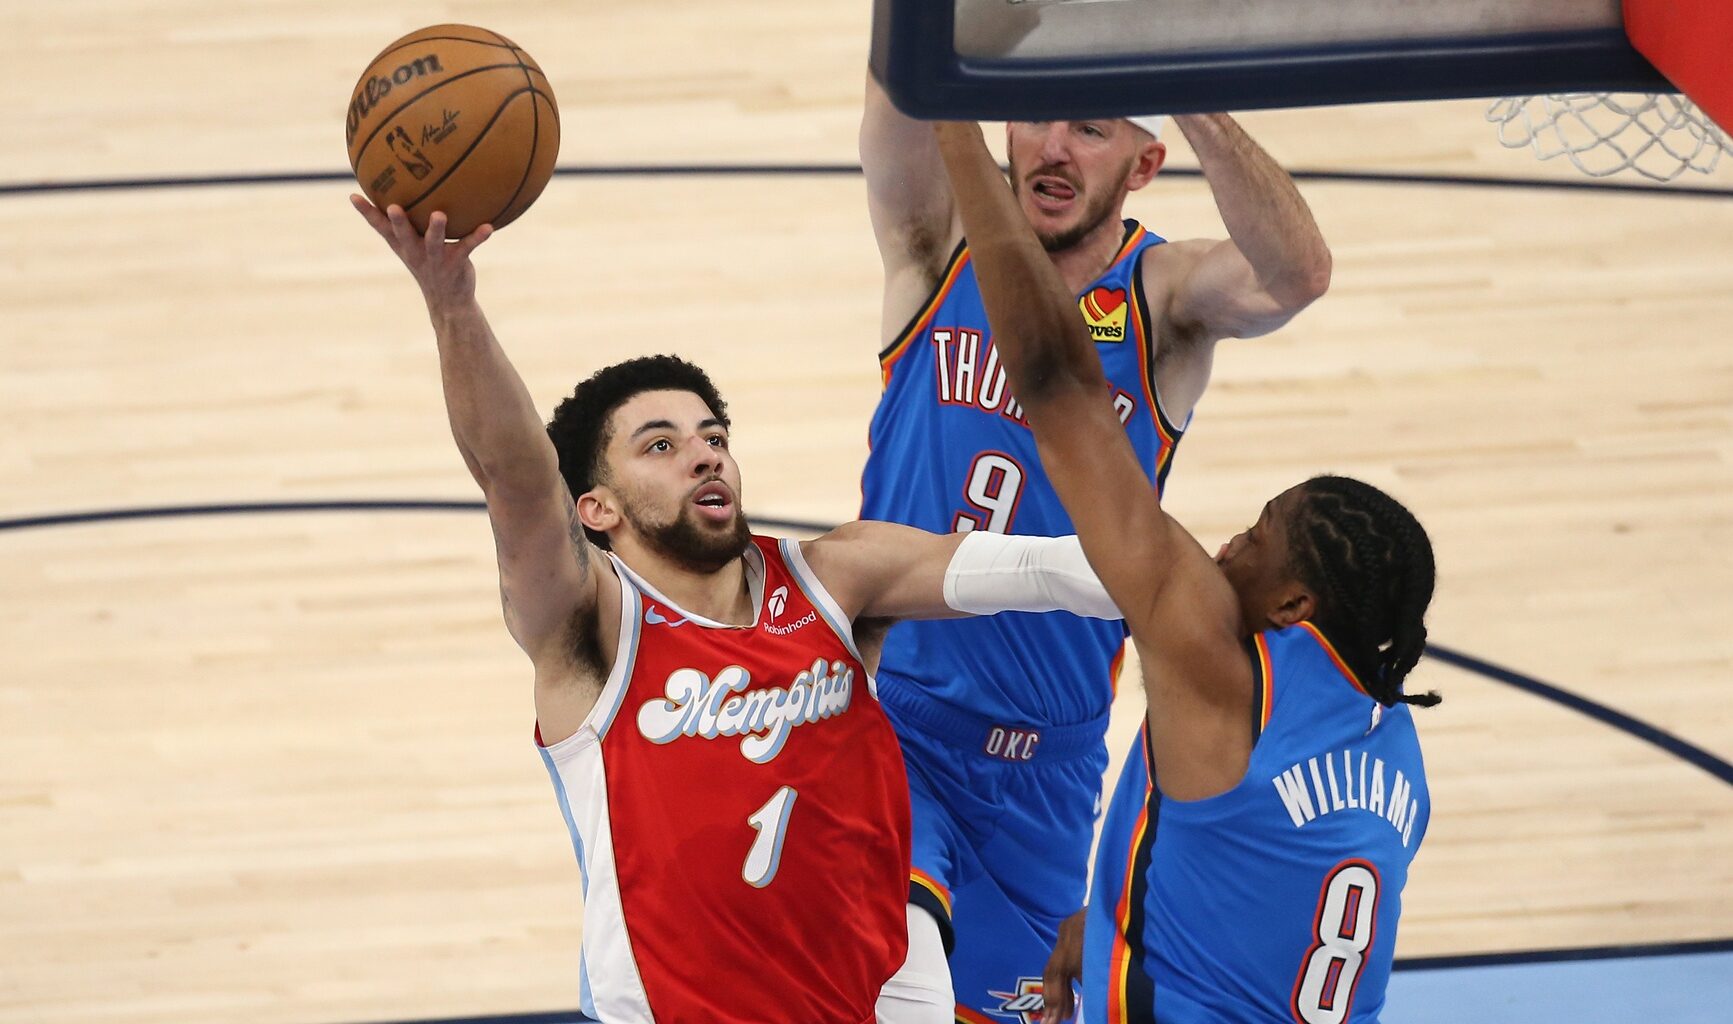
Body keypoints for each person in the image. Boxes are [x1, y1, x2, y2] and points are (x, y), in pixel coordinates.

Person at [349, 196, 1141, 1024]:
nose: (702, 455)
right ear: (596, 508)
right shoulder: (590, 628)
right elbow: (513, 474)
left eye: (712, 436)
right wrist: (452, 304)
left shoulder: (834, 578)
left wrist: (1206, 589)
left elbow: (1046, 569)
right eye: (660, 445)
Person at [931, 119, 1437, 1024]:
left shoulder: (1211, 661)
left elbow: (1057, 386)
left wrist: (958, 134)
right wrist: (1122, 923)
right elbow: (1260, 889)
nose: (1227, 545)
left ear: (1293, 603)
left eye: (1255, 536)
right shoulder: (1393, 746)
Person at [859, 77, 1336, 1015]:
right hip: (897, 720)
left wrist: (1191, 88)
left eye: (1090, 127)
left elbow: (1297, 275)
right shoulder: (936, 245)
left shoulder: (1163, 297)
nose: (1053, 146)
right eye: (1036, 117)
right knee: (893, 975)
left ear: (1144, 162)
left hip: (1051, 762)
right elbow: (893, 99)